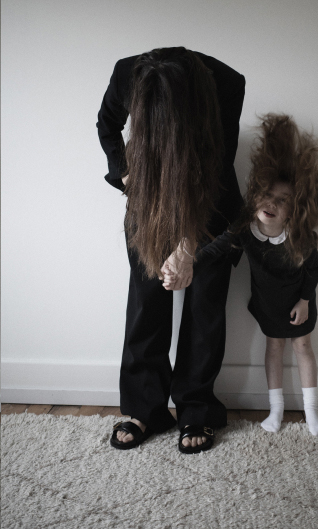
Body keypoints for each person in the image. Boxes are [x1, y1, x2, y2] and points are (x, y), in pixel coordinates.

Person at [98, 47, 244, 454]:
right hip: (148, 197)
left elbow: (218, 168)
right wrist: (124, 172)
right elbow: (107, 124)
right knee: (146, 304)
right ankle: (145, 409)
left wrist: (188, 248)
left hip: (210, 202)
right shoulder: (126, 74)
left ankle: (197, 409)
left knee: (204, 309)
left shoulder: (226, 85)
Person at [193, 114, 318, 436]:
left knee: (303, 347)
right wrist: (189, 261)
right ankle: (276, 410)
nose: (272, 204)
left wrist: (305, 300)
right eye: (267, 195)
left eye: (282, 201)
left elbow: (314, 267)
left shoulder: (299, 237)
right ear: (255, 193)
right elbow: (217, 248)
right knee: (274, 349)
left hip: (298, 304)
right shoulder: (245, 229)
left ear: (294, 209)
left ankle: (311, 412)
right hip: (268, 305)